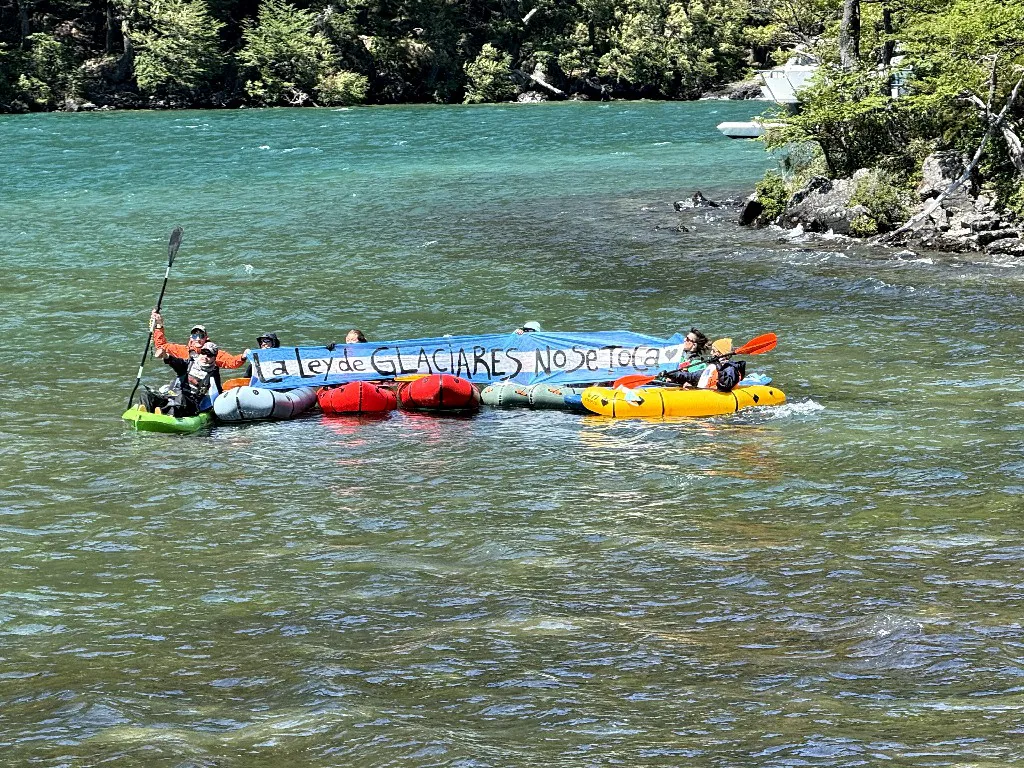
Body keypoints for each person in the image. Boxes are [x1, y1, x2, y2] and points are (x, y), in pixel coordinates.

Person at [140, 341, 223, 416]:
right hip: (171, 396)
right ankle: (144, 413)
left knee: (180, 398)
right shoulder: (189, 364)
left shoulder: (213, 373)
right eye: (203, 352)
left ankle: (163, 413)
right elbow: (177, 362)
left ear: (214, 357)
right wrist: (165, 356)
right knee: (146, 394)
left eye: (209, 355)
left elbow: (217, 391)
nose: (205, 357)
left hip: (189, 403)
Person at [150, 310, 248, 369]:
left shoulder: (213, 353)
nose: (197, 339)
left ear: (206, 338)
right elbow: (161, 346)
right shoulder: (182, 351)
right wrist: (159, 325)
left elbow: (231, 362)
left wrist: (242, 357)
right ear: (190, 338)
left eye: (201, 336)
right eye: (194, 336)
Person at [661, 339, 745, 392]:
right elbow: (691, 376)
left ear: (720, 353)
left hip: (716, 399)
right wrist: (671, 374)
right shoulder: (712, 367)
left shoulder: (731, 369)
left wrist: (718, 366)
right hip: (705, 395)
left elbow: (725, 386)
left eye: (713, 351)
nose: (711, 353)